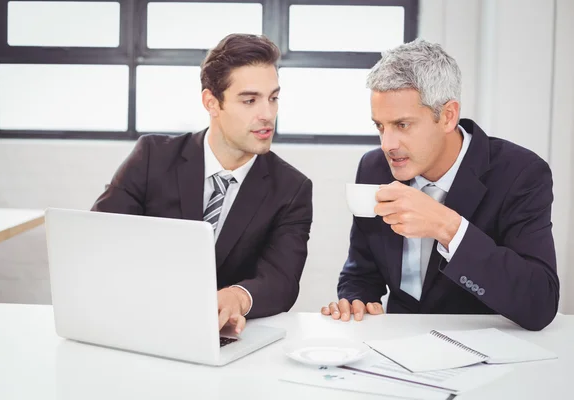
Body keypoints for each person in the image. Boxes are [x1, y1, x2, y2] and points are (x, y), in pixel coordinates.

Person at [321, 39, 559, 331]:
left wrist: (448, 228)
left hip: (484, 346)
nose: (387, 144)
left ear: (447, 116)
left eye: (402, 125)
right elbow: (361, 272)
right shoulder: (373, 167)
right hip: (397, 343)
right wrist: (357, 300)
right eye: (380, 126)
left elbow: (540, 303)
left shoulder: (521, 174)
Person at [92, 33, 313, 334]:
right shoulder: (152, 157)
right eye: (250, 100)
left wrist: (236, 296)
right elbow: (99, 240)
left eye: (273, 98)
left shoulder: (291, 188)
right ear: (211, 102)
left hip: (224, 337)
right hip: (141, 322)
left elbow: (282, 280)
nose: (267, 114)